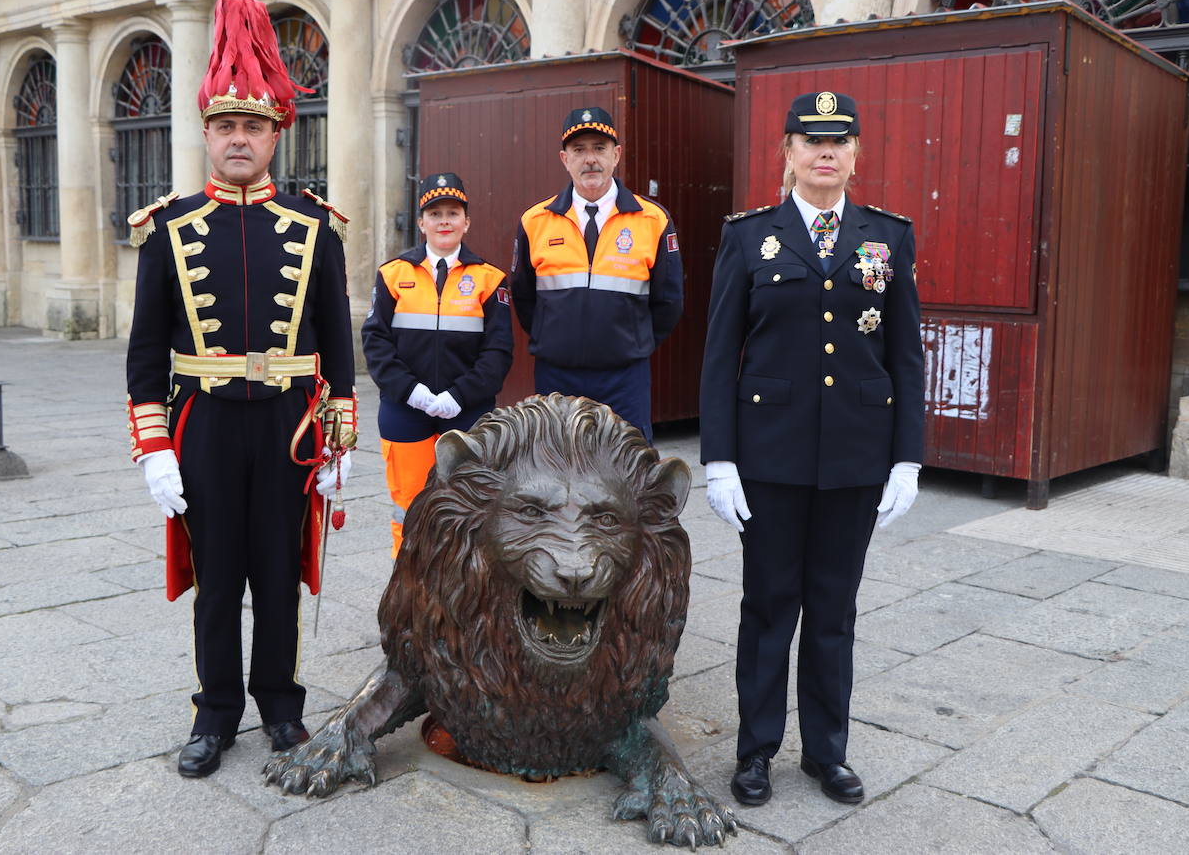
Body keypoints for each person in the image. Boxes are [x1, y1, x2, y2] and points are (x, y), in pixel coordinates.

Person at [124, 0, 357, 779]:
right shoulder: (171, 228)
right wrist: (154, 447)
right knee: (218, 581)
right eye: (225, 127)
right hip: (208, 425)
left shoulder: (314, 226)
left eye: (252, 127)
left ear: (274, 136)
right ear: (209, 136)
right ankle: (215, 713)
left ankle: (282, 709)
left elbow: (335, 337)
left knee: (279, 577)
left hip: (288, 422)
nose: (238, 139)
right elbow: (146, 350)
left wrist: (340, 435)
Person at [699, 92, 923, 808]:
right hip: (769, 457)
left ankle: (827, 752)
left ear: (857, 154)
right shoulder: (747, 238)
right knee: (769, 607)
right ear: (788, 153)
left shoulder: (886, 237)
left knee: (834, 610)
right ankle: (756, 751)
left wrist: (908, 456)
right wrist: (721, 459)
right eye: (811, 140)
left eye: (840, 141)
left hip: (856, 457)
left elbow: (906, 353)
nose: (826, 152)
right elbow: (720, 355)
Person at [509, 106, 682, 443]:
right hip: (556, 375)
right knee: (556, 470)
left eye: (599, 148)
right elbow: (524, 297)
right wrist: (557, 339)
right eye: (579, 150)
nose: (590, 159)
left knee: (629, 473)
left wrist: (630, 342)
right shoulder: (535, 221)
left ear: (616, 155)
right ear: (564, 158)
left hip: (624, 377)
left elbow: (669, 301)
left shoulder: (653, 220)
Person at [361, 173, 512, 556]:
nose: (444, 221)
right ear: (421, 222)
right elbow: (376, 343)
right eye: (435, 213)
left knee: (470, 506)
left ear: (466, 222)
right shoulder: (393, 275)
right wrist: (411, 391)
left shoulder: (490, 279)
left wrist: (458, 397)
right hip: (404, 411)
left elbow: (498, 353)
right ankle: (409, 593)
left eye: (453, 213)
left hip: (468, 413)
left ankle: (467, 592)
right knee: (409, 505)